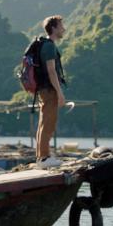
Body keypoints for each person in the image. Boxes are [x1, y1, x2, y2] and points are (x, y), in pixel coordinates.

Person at [35, 15, 68, 166]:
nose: (64, 29)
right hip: (49, 90)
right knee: (49, 123)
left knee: (44, 123)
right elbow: (51, 70)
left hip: (44, 89)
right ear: (53, 28)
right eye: (61, 26)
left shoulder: (45, 45)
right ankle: (44, 158)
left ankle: (42, 157)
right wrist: (59, 93)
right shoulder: (49, 46)